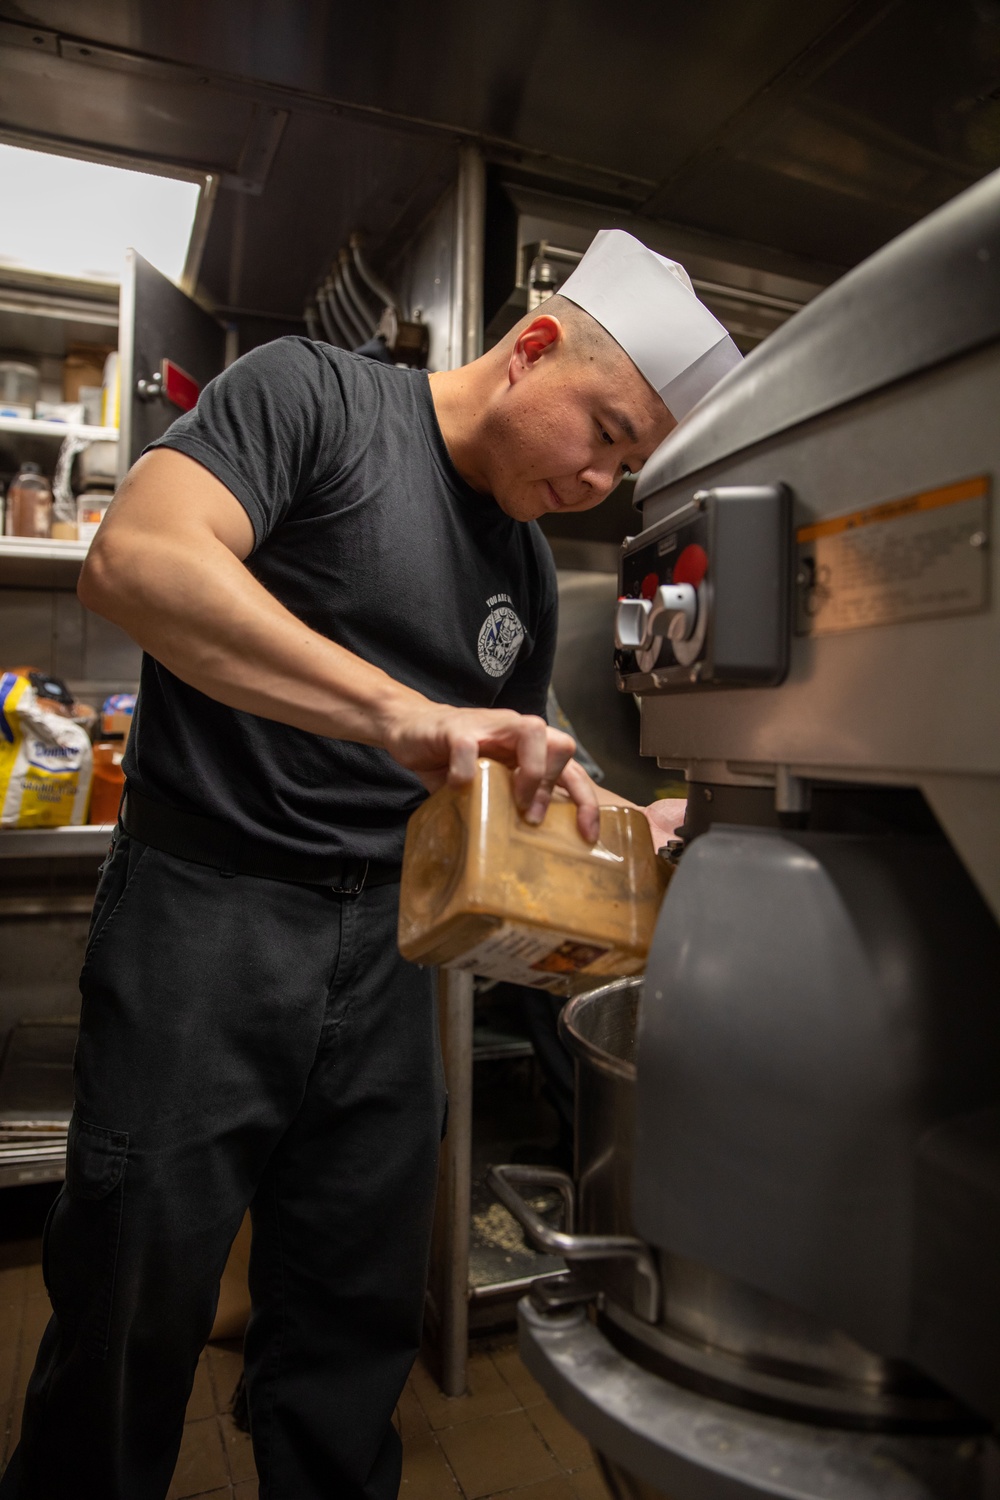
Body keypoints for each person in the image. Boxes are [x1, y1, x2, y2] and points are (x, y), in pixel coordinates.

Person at [0, 230, 740, 1500]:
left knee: (353, 1319)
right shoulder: (313, 397)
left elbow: (515, 766)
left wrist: (637, 822)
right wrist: (402, 713)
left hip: (389, 956)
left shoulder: (515, 562)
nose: (602, 480)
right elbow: (141, 562)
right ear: (536, 348)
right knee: (134, 1302)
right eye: (605, 434)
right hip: (206, 917)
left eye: (629, 463)